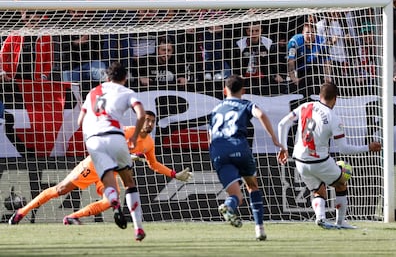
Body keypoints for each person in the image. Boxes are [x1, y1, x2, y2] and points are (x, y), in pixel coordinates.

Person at [8, 111, 193, 226]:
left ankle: (72, 217)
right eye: (147, 120)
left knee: (108, 202)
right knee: (60, 190)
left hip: (110, 173)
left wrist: (174, 174)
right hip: (95, 164)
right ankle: (22, 212)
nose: (150, 124)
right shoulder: (126, 131)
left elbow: (153, 164)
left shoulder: (149, 143)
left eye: (153, 121)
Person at [277, 82, 382, 229]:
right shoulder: (333, 118)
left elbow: (282, 124)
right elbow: (344, 149)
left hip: (299, 160)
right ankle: (340, 222)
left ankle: (320, 218)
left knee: (318, 191)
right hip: (319, 161)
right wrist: (368, 147)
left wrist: (282, 148)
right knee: (341, 182)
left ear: (320, 96)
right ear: (336, 99)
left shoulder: (305, 106)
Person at [208, 75, 286, 241]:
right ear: (243, 91)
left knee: (236, 197)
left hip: (218, 151)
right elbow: (261, 114)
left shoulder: (216, 109)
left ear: (224, 90)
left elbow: (210, 135)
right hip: (239, 148)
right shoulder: (246, 104)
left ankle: (229, 206)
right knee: (252, 186)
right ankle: (259, 229)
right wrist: (273, 137)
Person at [77, 61, 146, 241]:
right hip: (115, 136)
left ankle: (114, 202)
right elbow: (141, 114)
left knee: (109, 184)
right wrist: (134, 136)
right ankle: (138, 228)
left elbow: (79, 121)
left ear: (107, 77)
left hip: (93, 140)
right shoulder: (127, 92)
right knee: (129, 182)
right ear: (125, 78)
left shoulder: (93, 92)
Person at [233, 21, 285, 95]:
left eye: (257, 31)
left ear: (261, 30)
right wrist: (238, 75)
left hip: (264, 77)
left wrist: (276, 74)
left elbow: (274, 61)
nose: (254, 34)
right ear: (247, 31)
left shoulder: (268, 43)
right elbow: (235, 63)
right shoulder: (239, 44)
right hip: (246, 78)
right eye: (251, 31)